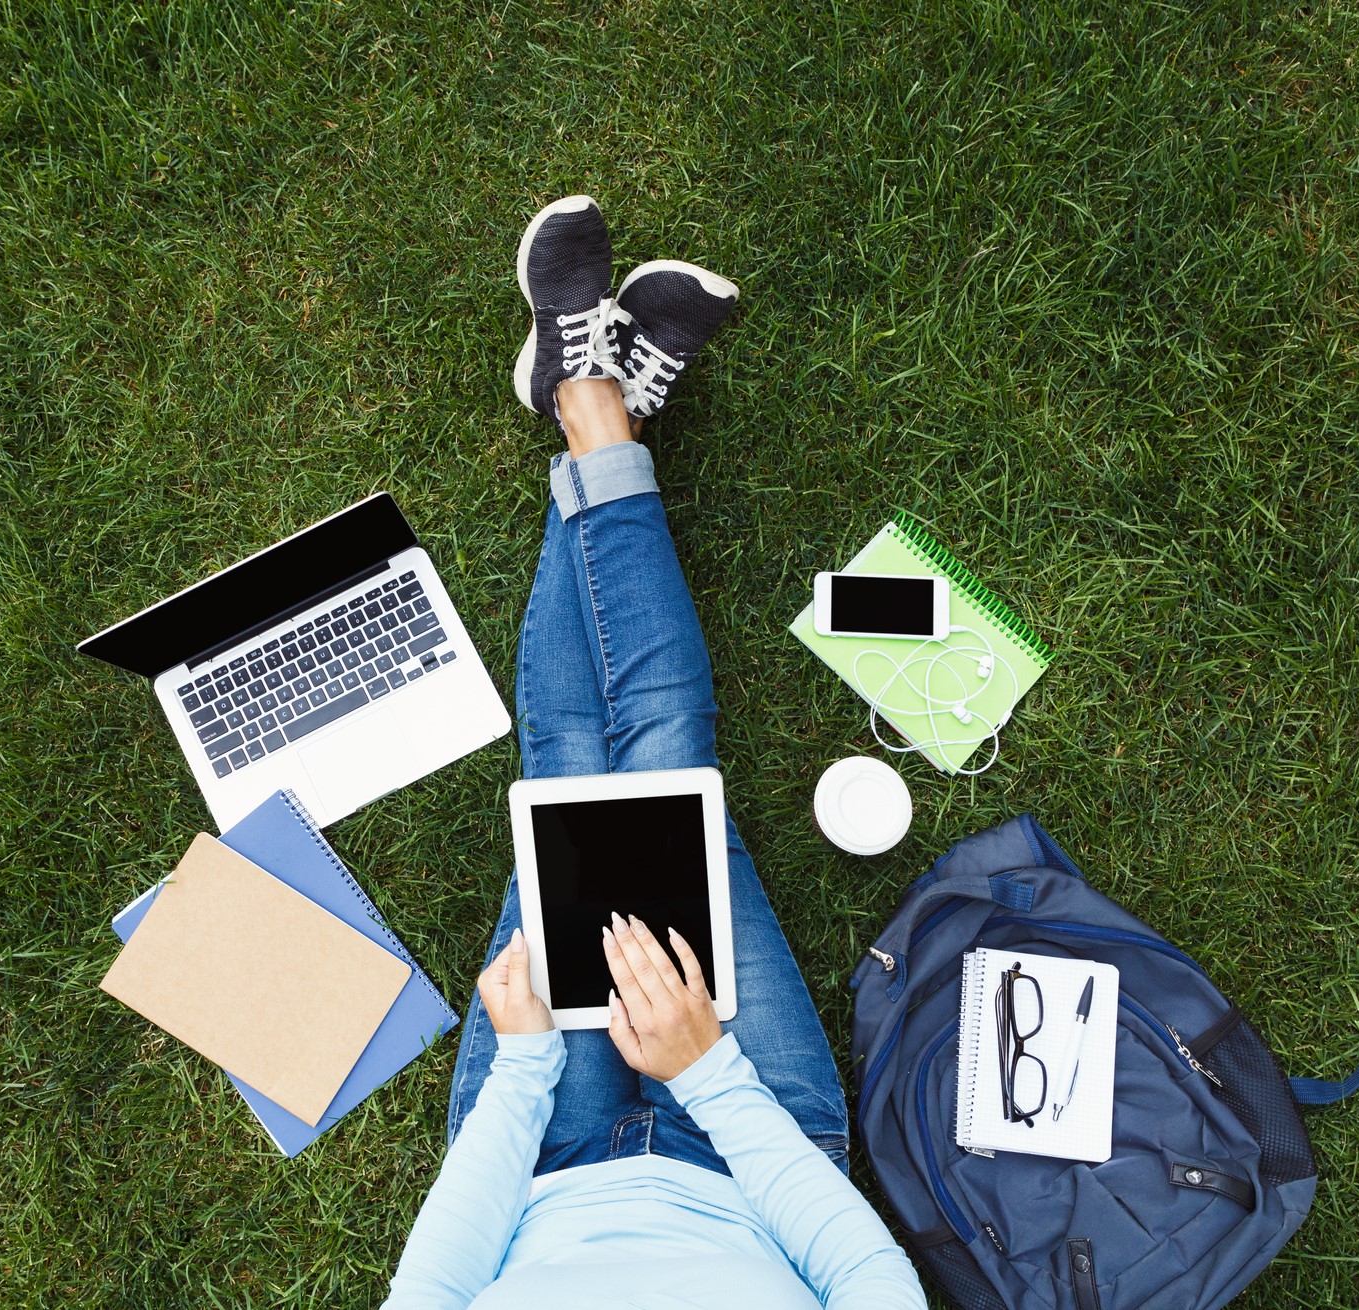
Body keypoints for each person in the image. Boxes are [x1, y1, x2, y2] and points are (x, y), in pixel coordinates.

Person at [380, 197, 924, 1309]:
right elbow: (870, 1278)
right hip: (755, 1150)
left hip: (540, 1155)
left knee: (571, 778)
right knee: (673, 770)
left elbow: (434, 1285)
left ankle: (592, 406)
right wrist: (707, 1072)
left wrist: (528, 1059)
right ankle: (598, 413)